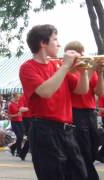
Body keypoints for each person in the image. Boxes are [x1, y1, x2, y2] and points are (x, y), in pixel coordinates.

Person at [19, 24, 89, 179]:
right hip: (44, 131)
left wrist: (83, 70)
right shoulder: (27, 68)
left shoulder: (57, 65)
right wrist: (65, 66)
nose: (59, 44)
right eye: (55, 40)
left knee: (80, 174)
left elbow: (81, 90)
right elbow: (45, 91)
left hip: (66, 130)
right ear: (43, 43)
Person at [65, 41, 104, 180]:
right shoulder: (68, 72)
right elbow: (81, 90)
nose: (81, 55)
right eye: (76, 52)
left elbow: (99, 92)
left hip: (91, 112)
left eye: (81, 51)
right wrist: (91, 69)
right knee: (84, 150)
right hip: (76, 113)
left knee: (94, 147)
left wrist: (100, 74)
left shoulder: (88, 70)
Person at [8, 93, 24, 157]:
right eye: (17, 97)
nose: (18, 98)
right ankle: (18, 151)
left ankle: (13, 147)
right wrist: (16, 115)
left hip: (21, 121)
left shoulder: (20, 104)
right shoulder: (11, 105)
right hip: (14, 122)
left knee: (21, 137)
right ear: (14, 97)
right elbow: (9, 116)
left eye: (19, 97)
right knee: (19, 136)